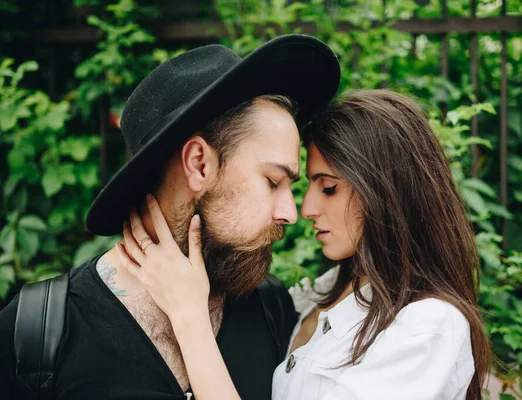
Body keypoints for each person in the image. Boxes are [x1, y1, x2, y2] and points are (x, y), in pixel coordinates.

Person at [0, 34, 340, 400]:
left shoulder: (272, 308)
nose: (290, 213)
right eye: (273, 181)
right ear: (198, 163)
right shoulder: (38, 331)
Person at [116, 89, 492, 400]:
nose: (305, 209)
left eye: (328, 188)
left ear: (386, 193)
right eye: (305, 185)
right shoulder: (318, 294)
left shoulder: (426, 328)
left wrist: (189, 317)